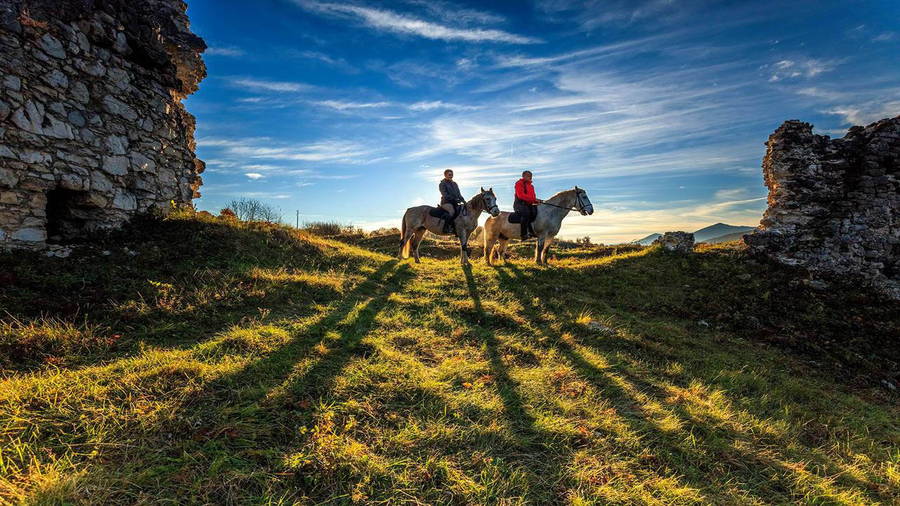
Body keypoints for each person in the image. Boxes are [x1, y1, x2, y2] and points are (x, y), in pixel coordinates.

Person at [514, 170, 543, 240]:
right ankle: (523, 234)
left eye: (531, 176)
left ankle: (531, 231)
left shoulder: (531, 186)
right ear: (523, 176)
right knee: (526, 213)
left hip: (529, 204)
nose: (530, 177)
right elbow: (521, 195)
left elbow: (532, 198)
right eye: (528, 176)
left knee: (535, 212)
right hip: (519, 204)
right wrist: (534, 200)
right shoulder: (519, 183)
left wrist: (537, 201)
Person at [439, 169, 465, 234]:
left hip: (455, 203)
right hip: (446, 202)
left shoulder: (455, 184)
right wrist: (454, 199)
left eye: (452, 175)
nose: (451, 176)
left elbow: (459, 194)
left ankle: (458, 228)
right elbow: (445, 195)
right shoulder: (442, 184)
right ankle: (446, 228)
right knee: (452, 211)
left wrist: (464, 201)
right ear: (445, 175)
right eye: (449, 175)